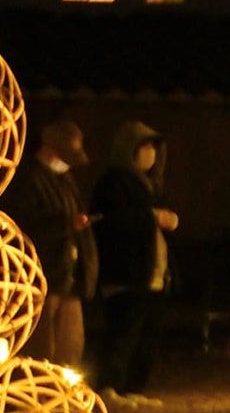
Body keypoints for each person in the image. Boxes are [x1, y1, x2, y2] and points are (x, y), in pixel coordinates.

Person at [86, 121, 179, 398]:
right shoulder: (115, 183)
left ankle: (132, 387)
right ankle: (110, 385)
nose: (151, 153)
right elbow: (114, 222)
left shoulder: (149, 186)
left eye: (153, 147)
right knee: (122, 332)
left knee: (146, 334)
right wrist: (152, 217)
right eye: (145, 147)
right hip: (127, 274)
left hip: (152, 274)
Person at [2, 115, 96, 369]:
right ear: (51, 151)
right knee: (43, 347)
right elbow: (24, 226)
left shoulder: (65, 180)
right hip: (45, 276)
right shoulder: (28, 180)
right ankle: (42, 396)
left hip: (70, 276)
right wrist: (66, 224)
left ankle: (65, 394)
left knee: (71, 344)